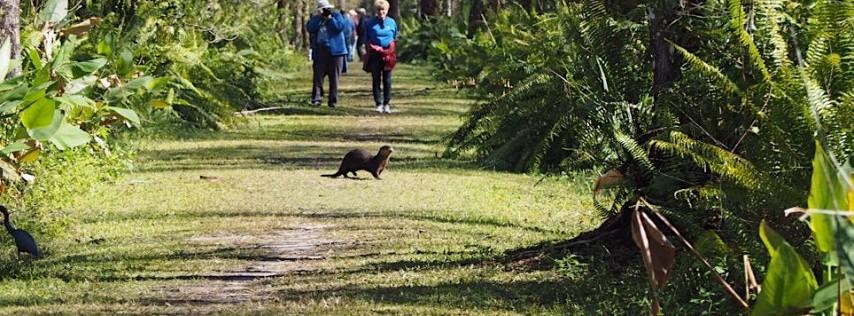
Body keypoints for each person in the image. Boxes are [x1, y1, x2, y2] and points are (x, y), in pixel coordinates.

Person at [306, 0, 349, 108]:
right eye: (323, 10)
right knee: (318, 76)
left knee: (334, 78)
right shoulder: (316, 19)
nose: (325, 11)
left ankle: (332, 100)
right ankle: (316, 98)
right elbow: (310, 28)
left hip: (336, 52)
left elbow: (339, 28)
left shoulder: (337, 16)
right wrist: (319, 18)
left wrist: (330, 19)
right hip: (320, 51)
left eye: (326, 9)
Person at [362, 0, 398, 113]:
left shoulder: (392, 22)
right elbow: (366, 39)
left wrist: (388, 49)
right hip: (375, 54)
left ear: (387, 11)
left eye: (383, 10)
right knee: (376, 79)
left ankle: (387, 103)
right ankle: (378, 103)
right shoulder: (370, 23)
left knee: (387, 80)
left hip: (388, 55)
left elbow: (395, 37)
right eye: (379, 10)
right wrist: (373, 47)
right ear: (376, 11)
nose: (381, 12)